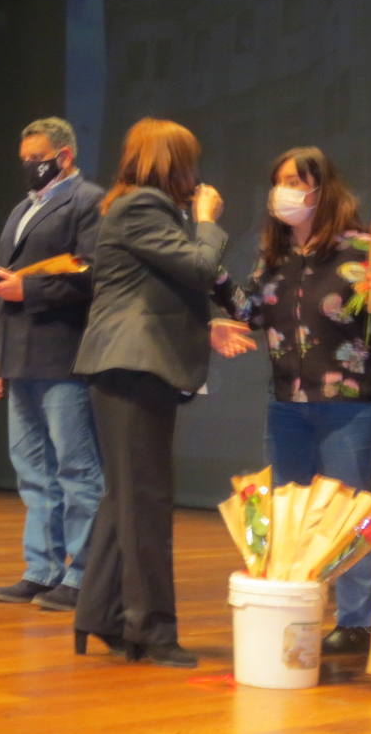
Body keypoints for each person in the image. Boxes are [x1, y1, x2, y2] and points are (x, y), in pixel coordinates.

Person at [209, 146, 371, 656]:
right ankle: (298, 607)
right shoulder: (275, 257)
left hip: (350, 403)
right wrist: (208, 262)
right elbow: (248, 310)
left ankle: (358, 621)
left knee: (348, 510)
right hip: (288, 404)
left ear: (322, 188)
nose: (286, 192)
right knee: (292, 513)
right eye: (279, 182)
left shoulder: (363, 248)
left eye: (296, 181)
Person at [70, 118, 227, 668]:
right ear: (171, 162)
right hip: (133, 367)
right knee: (147, 504)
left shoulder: (136, 207)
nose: (196, 173)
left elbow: (159, 288)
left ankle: (103, 615)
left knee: (127, 500)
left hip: (128, 365)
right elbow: (200, 266)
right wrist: (207, 222)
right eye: (190, 160)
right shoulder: (143, 207)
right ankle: (151, 631)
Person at [0, 117, 105, 611]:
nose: (29, 167)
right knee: (32, 468)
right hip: (19, 355)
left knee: (76, 468)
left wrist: (26, 289)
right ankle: (42, 568)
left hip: (63, 353)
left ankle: (83, 573)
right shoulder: (21, 210)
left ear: (64, 156)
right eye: (25, 159)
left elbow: (93, 276)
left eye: (38, 158)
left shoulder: (89, 200)